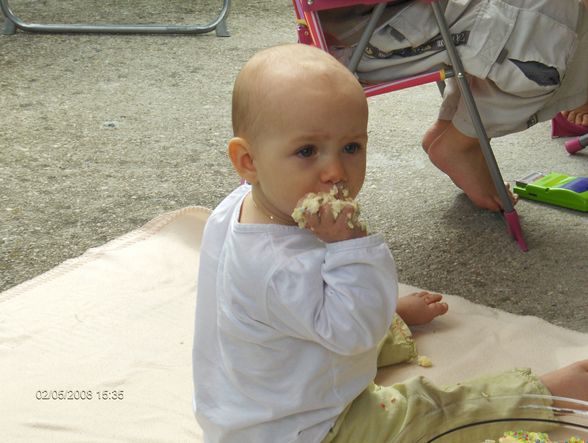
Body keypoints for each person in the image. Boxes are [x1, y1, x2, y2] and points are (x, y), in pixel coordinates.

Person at [192, 44, 588, 443]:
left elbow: (267, 310)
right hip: (311, 429)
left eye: (351, 147)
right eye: (306, 151)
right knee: (433, 409)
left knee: (355, 316)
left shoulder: (235, 209)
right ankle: (545, 397)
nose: (334, 171)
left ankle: (381, 315)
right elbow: (352, 336)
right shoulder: (280, 266)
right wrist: (351, 245)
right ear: (248, 161)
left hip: (244, 408)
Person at [321, 0, 588, 211]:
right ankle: (462, 141)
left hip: (381, 20)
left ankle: (450, 127)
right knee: (552, 27)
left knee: (544, 20)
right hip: (372, 32)